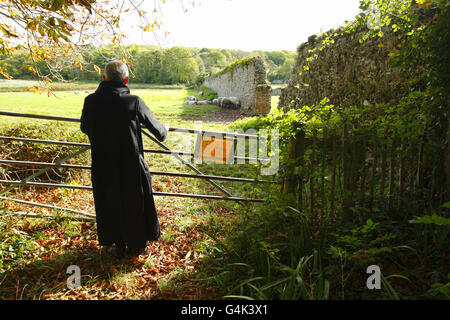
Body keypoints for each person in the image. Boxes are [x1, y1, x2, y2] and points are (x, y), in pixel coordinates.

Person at [80, 60, 168, 257]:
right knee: (134, 201)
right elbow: (159, 133)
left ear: (103, 78)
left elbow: (85, 127)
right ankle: (136, 244)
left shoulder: (90, 101)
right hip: (130, 164)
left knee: (108, 200)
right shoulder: (133, 101)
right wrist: (166, 128)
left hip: (103, 163)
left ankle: (117, 244)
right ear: (126, 79)